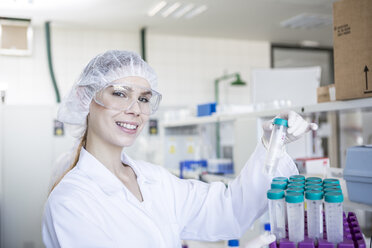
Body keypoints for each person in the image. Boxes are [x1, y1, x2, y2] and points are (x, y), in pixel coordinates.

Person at [42, 50, 317, 248]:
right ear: (85, 97)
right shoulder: (71, 201)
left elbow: (230, 210)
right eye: (119, 93)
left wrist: (270, 145)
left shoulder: (154, 180)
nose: (135, 110)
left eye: (144, 99)